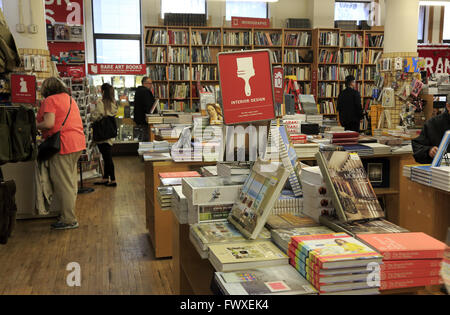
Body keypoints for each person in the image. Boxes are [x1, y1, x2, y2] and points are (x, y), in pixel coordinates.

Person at [36, 77, 86, 230]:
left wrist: (34, 125)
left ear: (47, 89)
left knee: (63, 183)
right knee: (70, 181)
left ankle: (69, 219)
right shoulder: (70, 99)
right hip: (76, 142)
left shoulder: (50, 100)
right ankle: (68, 214)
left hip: (62, 145)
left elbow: (49, 123)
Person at [92, 83, 118, 187]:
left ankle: (113, 179)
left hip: (102, 133)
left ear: (103, 92)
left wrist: (92, 115)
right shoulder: (113, 103)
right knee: (107, 156)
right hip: (110, 133)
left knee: (107, 157)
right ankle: (105, 177)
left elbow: (97, 116)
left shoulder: (101, 103)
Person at [412, 94, 450, 164]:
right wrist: (429, 151)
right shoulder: (433, 124)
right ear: (448, 106)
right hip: (439, 171)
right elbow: (418, 149)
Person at [134, 76, 155, 141]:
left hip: (139, 119)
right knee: (146, 139)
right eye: (150, 83)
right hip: (145, 120)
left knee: (141, 138)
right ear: (145, 83)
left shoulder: (138, 91)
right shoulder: (146, 92)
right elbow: (148, 106)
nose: (151, 86)